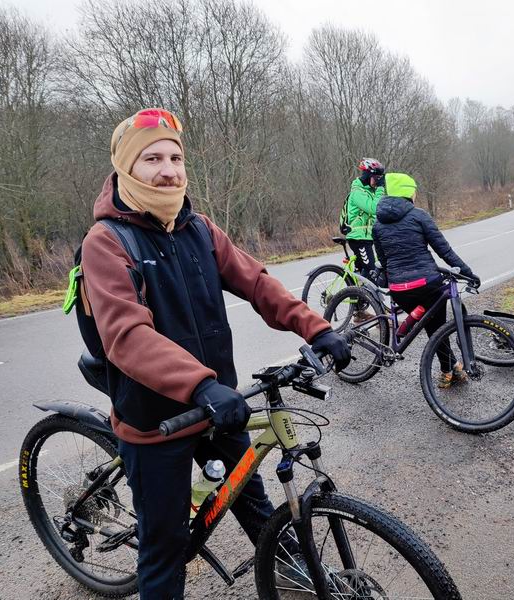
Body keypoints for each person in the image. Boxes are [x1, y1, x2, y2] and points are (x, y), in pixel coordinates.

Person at [80, 108, 350, 599]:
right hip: (154, 421)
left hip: (215, 405)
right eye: (152, 158)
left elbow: (257, 282)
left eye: (176, 157)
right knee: (165, 549)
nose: (168, 169)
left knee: (253, 500)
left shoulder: (199, 228)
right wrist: (201, 384)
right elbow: (127, 336)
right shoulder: (106, 242)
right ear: (125, 168)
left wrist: (316, 328)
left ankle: (300, 580)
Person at [372, 173, 480, 388]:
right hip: (427, 284)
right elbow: (444, 251)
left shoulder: (378, 224)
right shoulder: (419, 216)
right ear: (407, 192)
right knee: (436, 325)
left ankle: (450, 369)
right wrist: (468, 273)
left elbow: (383, 261)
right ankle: (449, 369)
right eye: (414, 190)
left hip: (399, 290)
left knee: (430, 323)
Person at [344, 157, 386, 280]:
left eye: (380, 178)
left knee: (370, 272)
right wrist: (380, 189)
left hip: (368, 237)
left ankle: (358, 296)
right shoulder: (357, 192)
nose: (378, 181)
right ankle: (362, 295)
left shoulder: (371, 191)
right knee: (372, 272)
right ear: (368, 175)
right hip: (358, 238)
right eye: (376, 178)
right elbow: (373, 208)